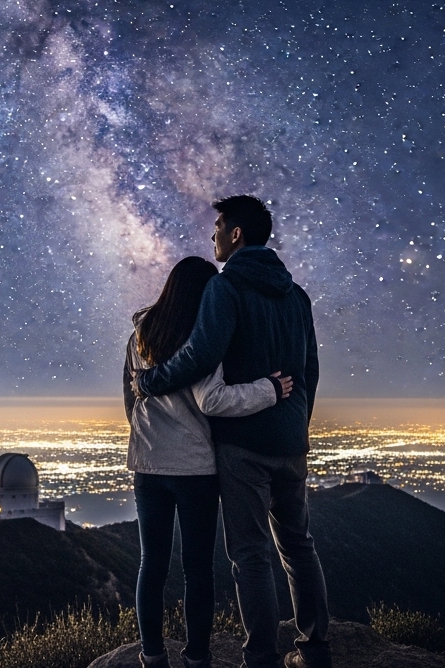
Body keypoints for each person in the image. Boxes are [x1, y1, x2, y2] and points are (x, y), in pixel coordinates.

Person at [133, 196, 329, 668]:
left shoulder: (225, 288)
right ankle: (315, 650)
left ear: (236, 234)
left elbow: (201, 356)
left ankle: (260, 657)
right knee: (299, 547)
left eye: (218, 226)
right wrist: (297, 425)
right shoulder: (297, 296)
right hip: (290, 441)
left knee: (251, 555)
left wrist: (151, 381)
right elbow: (310, 370)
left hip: (243, 444)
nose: (213, 235)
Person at [124, 255, 293, 668]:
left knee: (151, 564)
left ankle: (152, 656)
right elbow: (212, 400)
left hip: (148, 464)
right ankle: (197, 658)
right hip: (194, 468)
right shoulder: (202, 338)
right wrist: (269, 389)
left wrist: (149, 436)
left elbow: (130, 399)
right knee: (197, 569)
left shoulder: (140, 334)